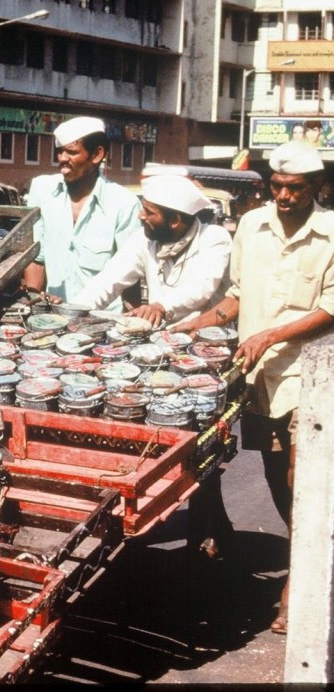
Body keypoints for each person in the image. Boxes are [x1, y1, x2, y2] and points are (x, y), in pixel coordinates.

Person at [173, 140, 334, 636]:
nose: (284, 196)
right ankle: (306, 553)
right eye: (278, 187)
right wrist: (193, 325)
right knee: (271, 472)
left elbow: (331, 308)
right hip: (258, 378)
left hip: (310, 375)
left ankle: (301, 582)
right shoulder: (250, 225)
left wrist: (270, 335)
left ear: (316, 188)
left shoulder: (331, 233)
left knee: (298, 476)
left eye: (295, 188)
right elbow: (239, 295)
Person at [73, 174, 231, 327]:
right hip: (161, 339)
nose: (140, 216)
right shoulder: (143, 239)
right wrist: (73, 311)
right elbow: (108, 280)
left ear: (175, 221)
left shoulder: (214, 238)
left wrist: (161, 306)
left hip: (207, 340)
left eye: (149, 212)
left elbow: (200, 288)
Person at [21, 116, 142, 309]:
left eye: (71, 152)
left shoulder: (124, 203)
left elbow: (130, 271)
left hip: (102, 319)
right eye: (59, 152)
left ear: (96, 155)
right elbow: (37, 258)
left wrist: (132, 322)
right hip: (54, 315)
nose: (62, 159)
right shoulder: (42, 190)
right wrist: (34, 303)